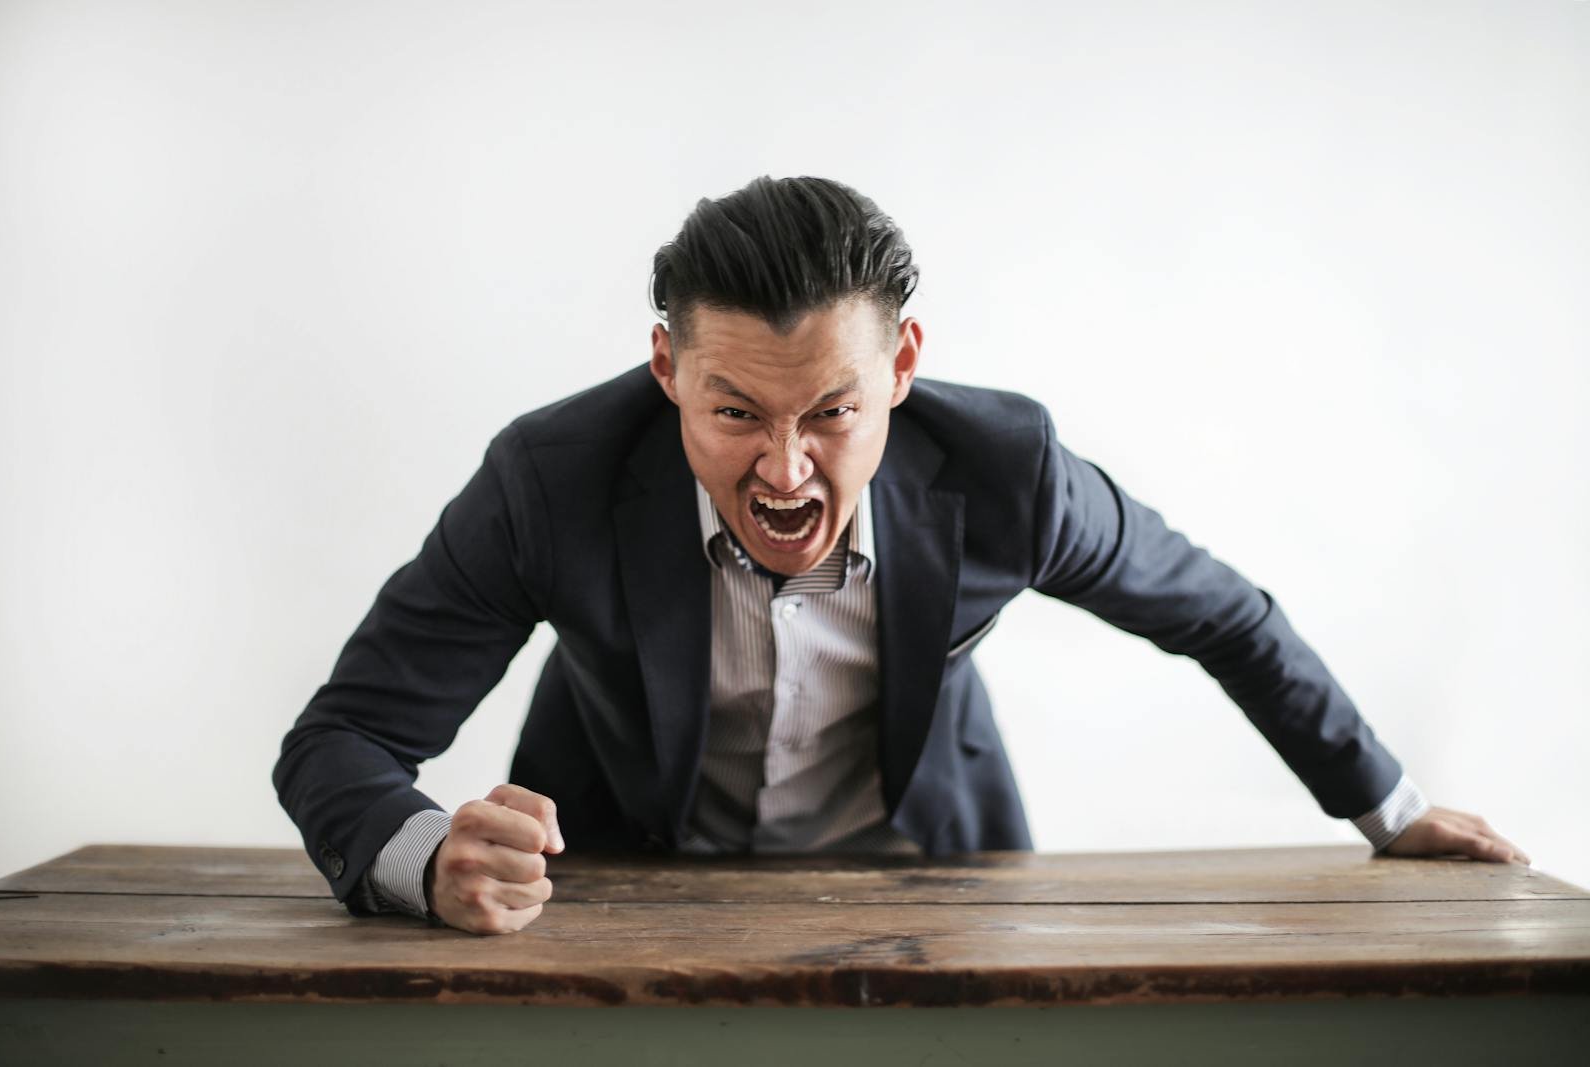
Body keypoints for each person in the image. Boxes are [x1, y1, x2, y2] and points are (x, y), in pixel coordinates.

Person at [273, 175, 1530, 937]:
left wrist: (1390, 806)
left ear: (903, 370)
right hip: (618, 886)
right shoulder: (549, 481)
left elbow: (1223, 615)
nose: (783, 470)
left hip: (932, 880)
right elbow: (338, 741)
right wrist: (427, 856)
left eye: (831, 411)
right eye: (731, 413)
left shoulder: (1009, 474)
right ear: (666, 371)